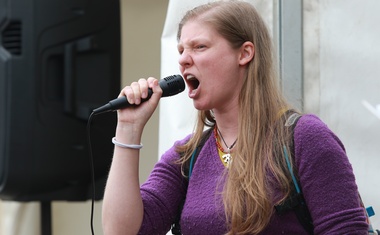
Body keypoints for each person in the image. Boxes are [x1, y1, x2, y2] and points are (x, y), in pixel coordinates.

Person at [102, 1, 369, 234]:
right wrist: (129, 127)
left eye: (199, 46)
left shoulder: (304, 138)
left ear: (245, 53)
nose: (183, 60)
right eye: (181, 49)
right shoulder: (186, 157)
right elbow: (123, 231)